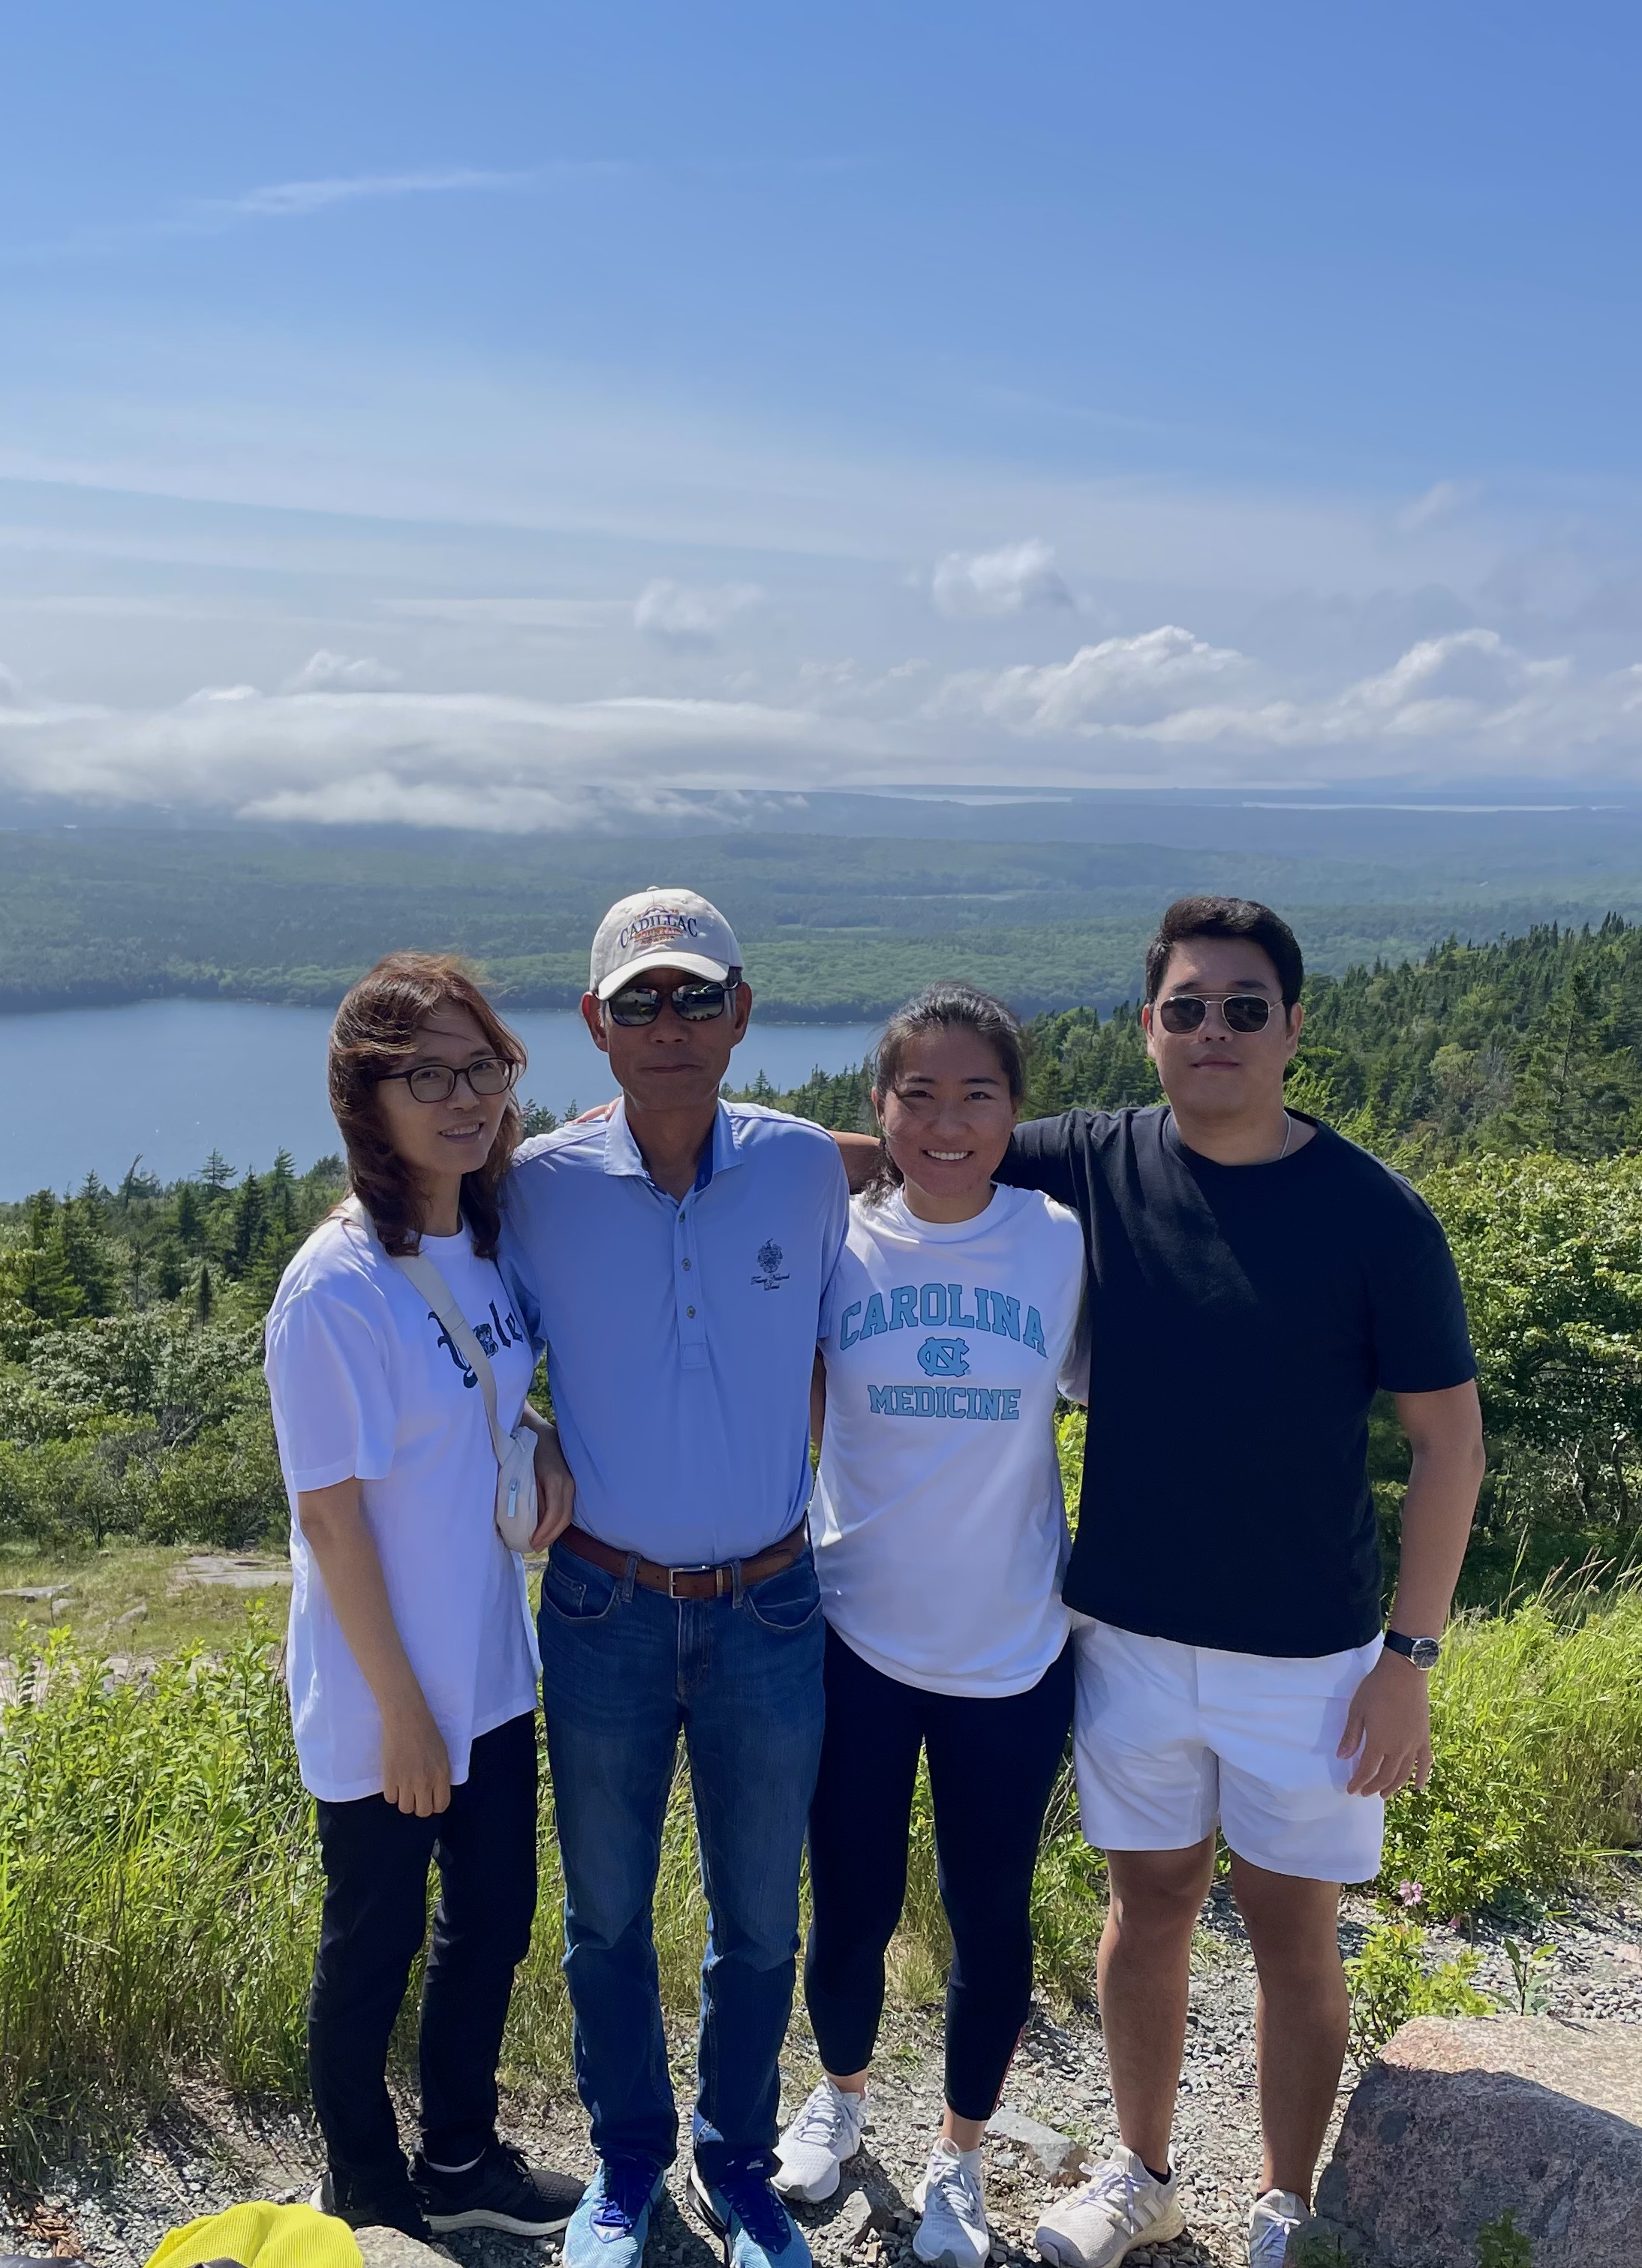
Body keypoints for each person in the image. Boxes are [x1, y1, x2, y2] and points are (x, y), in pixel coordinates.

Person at [829, 897, 1484, 2268]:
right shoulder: (1093, 1161)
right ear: (1147, 1027)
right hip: (1121, 1627)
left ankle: (1284, 2202)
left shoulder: (1374, 1217)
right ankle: (1141, 2173)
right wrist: (687, 1155)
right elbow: (935, 1142)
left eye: (1244, 1007)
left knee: (1294, 1926)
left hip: (1306, 1651)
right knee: (1149, 1905)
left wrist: (1406, 1658)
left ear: (1294, 1028)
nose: (1213, 1031)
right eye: (1186, 1006)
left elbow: (1446, 1445)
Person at [498, 889, 851, 2268]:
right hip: (603, 1603)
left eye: (693, 996)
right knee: (604, 1917)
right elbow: (454, 1333)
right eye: (637, 1001)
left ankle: (741, 2165)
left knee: (762, 1919)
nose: (668, 1024)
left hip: (770, 1603)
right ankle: (628, 2164)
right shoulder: (535, 1184)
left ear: (740, 1012)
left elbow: (935, 1167)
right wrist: (522, 1440)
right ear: (594, 1024)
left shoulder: (806, 1168)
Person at [261, 952, 588, 2243]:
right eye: (427, 1075)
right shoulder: (332, 1290)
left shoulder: (481, 1238)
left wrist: (545, 1434)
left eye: (484, 1067)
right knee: (374, 1943)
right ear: (366, 1099)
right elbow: (329, 1519)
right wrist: (401, 1713)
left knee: (493, 1921)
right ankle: (367, 2183)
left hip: (490, 1667)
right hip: (378, 1687)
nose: (464, 1098)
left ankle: (460, 2155)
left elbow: (487, 1404)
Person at [771, 984, 1085, 2268]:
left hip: (1014, 1643)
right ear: (875, 1108)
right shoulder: (834, 1240)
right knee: (847, 1899)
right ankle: (839, 2100)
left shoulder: (1061, 1239)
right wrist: (849, 1159)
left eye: (977, 1094)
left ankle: (958, 2157)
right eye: (917, 1094)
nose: (947, 1121)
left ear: (1019, 1110)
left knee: (988, 1912)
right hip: (852, 1633)